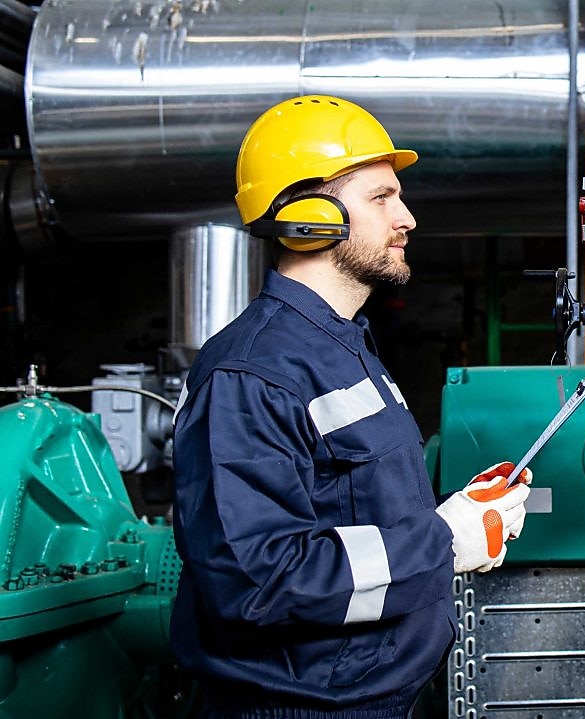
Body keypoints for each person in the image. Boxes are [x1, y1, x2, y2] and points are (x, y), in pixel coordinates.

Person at [170, 95, 531, 719]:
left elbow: (354, 511)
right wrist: (444, 542)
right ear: (309, 217)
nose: (407, 218)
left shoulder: (343, 345)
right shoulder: (250, 374)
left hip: (374, 698)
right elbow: (259, 582)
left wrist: (463, 514)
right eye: (381, 198)